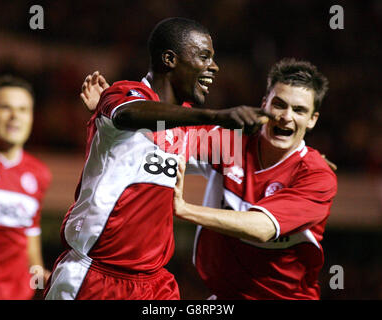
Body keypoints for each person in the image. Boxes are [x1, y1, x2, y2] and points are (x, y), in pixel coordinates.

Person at [44, 17, 270, 300]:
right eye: (204, 57)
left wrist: (306, 158)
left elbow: (246, 151)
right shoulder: (124, 94)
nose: (214, 67)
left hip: (155, 284)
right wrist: (214, 115)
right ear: (169, 59)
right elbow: (130, 114)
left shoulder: (188, 127)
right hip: (95, 276)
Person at [173, 58, 337, 299]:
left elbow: (261, 228)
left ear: (312, 119)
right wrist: (113, 113)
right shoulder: (229, 145)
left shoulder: (317, 176)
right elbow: (166, 136)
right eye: (279, 105)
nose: (286, 117)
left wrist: (184, 209)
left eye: (299, 110)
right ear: (264, 105)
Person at [0, 75, 52, 300]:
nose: (15, 116)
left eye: (24, 109)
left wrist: (41, 279)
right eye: (6, 108)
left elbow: (29, 237)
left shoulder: (39, 173)